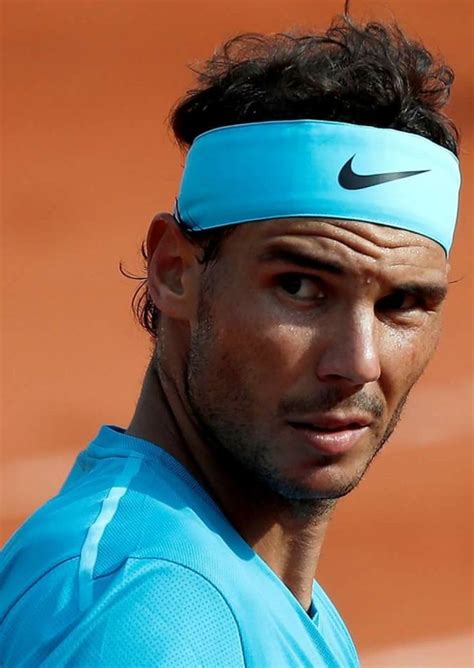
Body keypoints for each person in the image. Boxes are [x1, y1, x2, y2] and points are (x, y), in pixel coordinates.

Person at [0, 7, 461, 667]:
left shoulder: (245, 594)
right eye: (300, 287)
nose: (357, 362)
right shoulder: (148, 616)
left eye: (403, 303)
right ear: (175, 272)